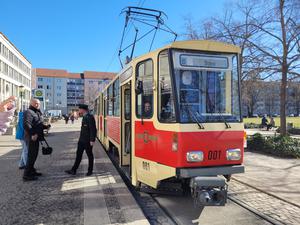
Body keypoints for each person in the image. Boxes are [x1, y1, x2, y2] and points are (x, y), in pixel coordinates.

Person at [23, 99, 51, 181]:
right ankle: (26, 175)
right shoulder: (28, 112)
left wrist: (46, 126)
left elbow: (38, 124)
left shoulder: (36, 112)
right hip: (31, 137)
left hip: (36, 137)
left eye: (38, 103)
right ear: (31, 103)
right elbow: (26, 124)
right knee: (31, 156)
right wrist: (32, 134)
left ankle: (32, 171)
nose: (37, 105)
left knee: (34, 155)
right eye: (35, 103)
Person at [65, 104, 96, 176]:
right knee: (78, 155)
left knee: (89, 155)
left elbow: (93, 129)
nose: (79, 110)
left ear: (83, 109)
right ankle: (73, 170)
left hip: (88, 141)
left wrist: (92, 140)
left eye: (79, 109)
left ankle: (90, 170)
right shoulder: (85, 116)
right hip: (81, 140)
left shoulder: (90, 117)